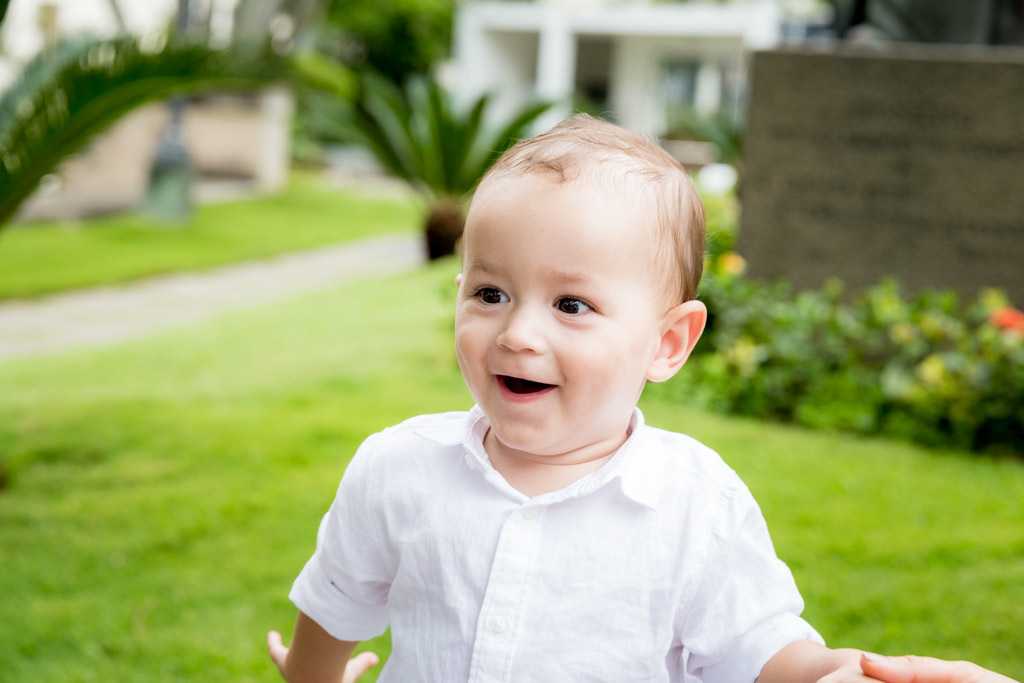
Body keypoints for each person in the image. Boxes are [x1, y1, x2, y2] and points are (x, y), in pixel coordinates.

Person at [265, 114, 1016, 683]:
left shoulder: (694, 503)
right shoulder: (398, 468)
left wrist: (840, 671)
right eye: (491, 292)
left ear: (667, 343)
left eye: (572, 305)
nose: (519, 333)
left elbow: (761, 650)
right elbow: (335, 602)